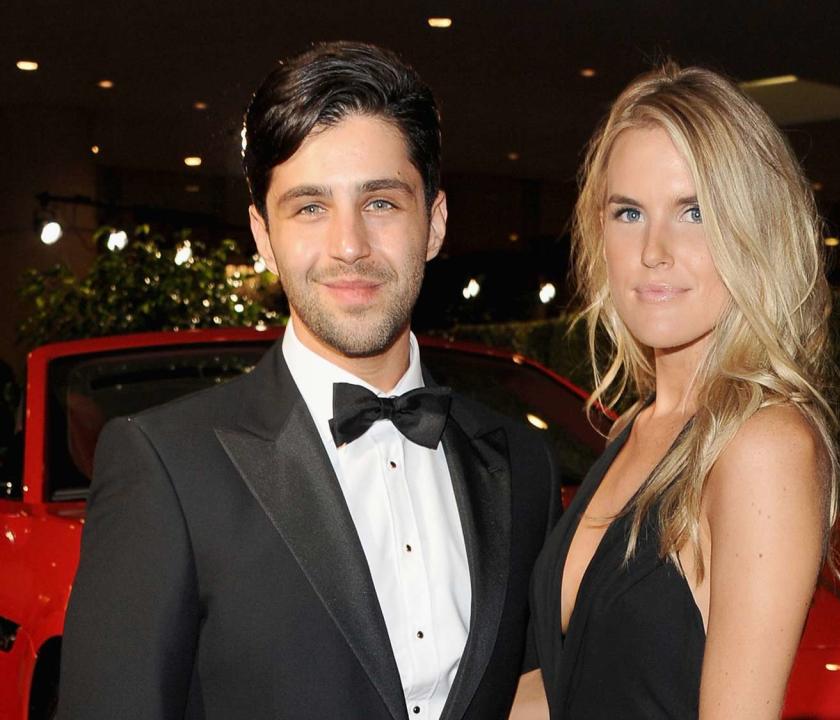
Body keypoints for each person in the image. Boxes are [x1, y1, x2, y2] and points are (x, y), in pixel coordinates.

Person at [60, 41, 559, 720]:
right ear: (263, 236)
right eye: (310, 208)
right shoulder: (167, 467)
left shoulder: (520, 465)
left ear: (435, 222)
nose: (349, 245)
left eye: (381, 203)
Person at [510, 63, 839, 719]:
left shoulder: (763, 445)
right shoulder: (639, 427)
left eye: (694, 211)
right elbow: (572, 686)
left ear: (753, 229)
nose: (653, 250)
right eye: (628, 212)